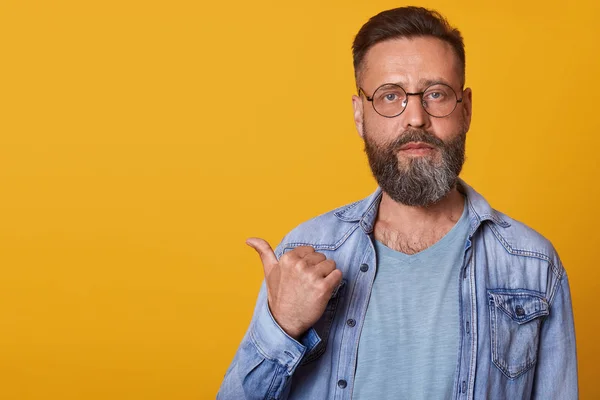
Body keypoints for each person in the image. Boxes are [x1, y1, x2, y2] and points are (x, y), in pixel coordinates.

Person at [217, 6, 578, 400]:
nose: (416, 118)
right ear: (360, 114)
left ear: (467, 108)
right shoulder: (306, 252)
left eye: (436, 94)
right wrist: (282, 326)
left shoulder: (533, 266)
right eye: (391, 96)